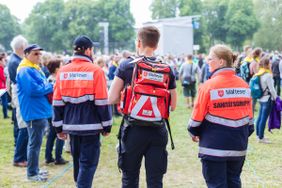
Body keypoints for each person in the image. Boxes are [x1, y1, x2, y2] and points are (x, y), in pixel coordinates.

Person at [108, 26, 177, 188]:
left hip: (133, 130)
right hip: (158, 130)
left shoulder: (127, 65)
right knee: (155, 181)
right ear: (156, 45)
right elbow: (172, 106)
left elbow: (111, 98)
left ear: (138, 42)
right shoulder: (166, 68)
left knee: (129, 179)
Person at [188, 44, 254, 188]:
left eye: (210, 58)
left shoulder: (208, 86)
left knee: (216, 185)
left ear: (221, 62)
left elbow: (195, 119)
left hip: (213, 149)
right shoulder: (244, 85)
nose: (207, 61)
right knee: (234, 182)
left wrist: (193, 132)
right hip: (238, 147)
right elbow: (250, 122)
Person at [52, 35, 112, 188]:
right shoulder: (96, 71)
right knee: (88, 165)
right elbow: (102, 102)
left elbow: (57, 102)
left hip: (71, 127)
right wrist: (107, 125)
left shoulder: (63, 72)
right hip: (91, 128)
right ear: (88, 50)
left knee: (78, 162)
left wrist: (58, 127)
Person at [17, 44, 53, 182]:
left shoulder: (33, 68)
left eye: (39, 54)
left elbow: (40, 87)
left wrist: (45, 86)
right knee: (34, 144)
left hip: (38, 111)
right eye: (35, 53)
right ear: (26, 54)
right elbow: (33, 90)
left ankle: (35, 170)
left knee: (36, 143)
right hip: (33, 112)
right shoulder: (25, 70)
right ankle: (32, 173)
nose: (38, 56)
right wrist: (50, 86)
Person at [7, 35, 29, 167]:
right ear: (22, 47)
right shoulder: (16, 62)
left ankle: (21, 156)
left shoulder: (15, 60)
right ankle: (19, 158)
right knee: (23, 127)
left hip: (18, 95)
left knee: (22, 126)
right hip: (20, 96)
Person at [44, 58, 68, 165]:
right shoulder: (55, 80)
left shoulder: (49, 79)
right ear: (56, 69)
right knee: (60, 133)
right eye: (61, 65)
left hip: (50, 110)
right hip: (56, 110)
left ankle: (48, 156)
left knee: (52, 134)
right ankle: (58, 157)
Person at [255, 56, 277, 144]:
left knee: (260, 117)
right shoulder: (268, 75)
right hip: (267, 98)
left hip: (260, 98)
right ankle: (261, 137)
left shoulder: (259, 73)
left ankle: (258, 134)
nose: (271, 64)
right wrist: (276, 98)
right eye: (270, 63)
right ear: (267, 64)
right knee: (263, 118)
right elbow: (272, 89)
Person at [0, 52, 8, 119]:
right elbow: (3, 78)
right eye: (3, 61)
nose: (4, 62)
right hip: (2, 87)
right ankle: (5, 115)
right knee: (4, 101)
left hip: (2, 87)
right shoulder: (0, 68)